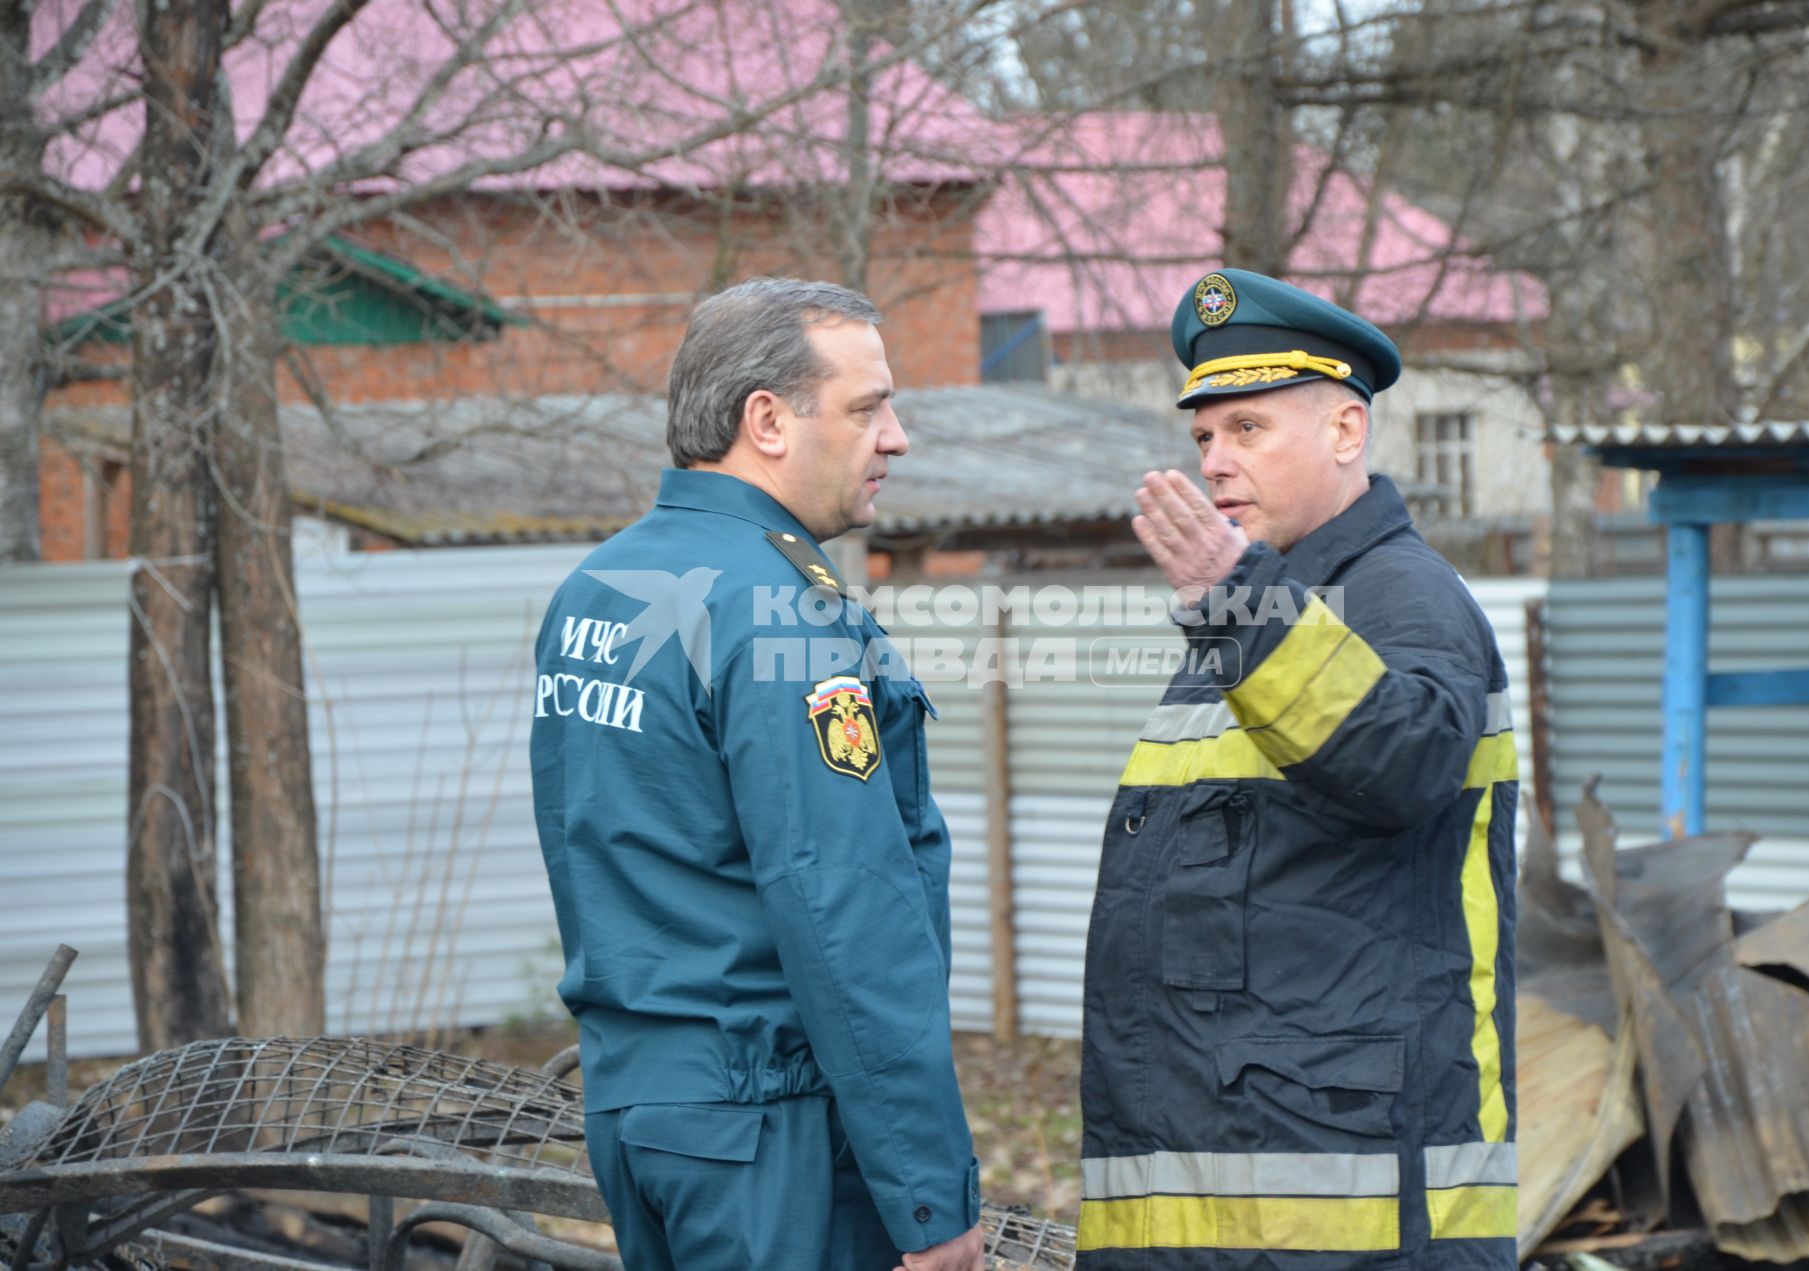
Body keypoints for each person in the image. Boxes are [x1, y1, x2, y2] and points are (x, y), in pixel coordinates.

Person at [530, 277, 984, 1271]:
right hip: (765, 1129)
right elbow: (845, 913)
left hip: (640, 1112)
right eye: (868, 407)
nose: (897, 436)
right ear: (767, 420)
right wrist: (930, 1194)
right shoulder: (783, 612)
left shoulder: (595, 586)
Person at [1076, 269, 1518, 1270]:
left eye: (1249, 429)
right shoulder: (1257, 610)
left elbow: (1405, 759)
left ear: (1347, 432)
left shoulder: (1401, 595)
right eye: (1204, 436)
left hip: (1351, 1216)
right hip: (1227, 1196)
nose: (1217, 461)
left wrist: (1234, 604)